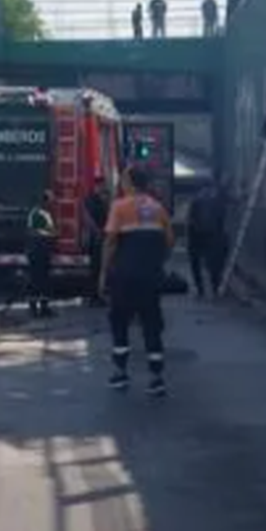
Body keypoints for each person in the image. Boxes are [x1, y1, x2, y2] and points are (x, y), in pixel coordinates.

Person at [100, 165, 175, 396]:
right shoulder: (158, 208)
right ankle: (156, 378)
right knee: (151, 323)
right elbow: (169, 242)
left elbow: (111, 242)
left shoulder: (120, 207)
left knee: (120, 322)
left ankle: (120, 373)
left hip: (124, 277)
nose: (121, 184)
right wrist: (155, 262)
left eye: (123, 180)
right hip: (150, 277)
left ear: (130, 183)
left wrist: (103, 273)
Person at [187, 176, 229, 299]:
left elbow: (190, 220)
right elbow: (221, 220)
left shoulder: (196, 200)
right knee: (213, 264)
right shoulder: (216, 201)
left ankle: (201, 289)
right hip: (212, 235)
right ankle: (214, 288)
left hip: (197, 235)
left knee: (196, 263)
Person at [25, 191, 57, 318]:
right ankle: (35, 308)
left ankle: (43, 307)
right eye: (51, 200)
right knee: (36, 279)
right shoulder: (37, 213)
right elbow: (31, 231)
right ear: (45, 201)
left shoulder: (44, 213)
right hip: (37, 251)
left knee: (43, 280)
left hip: (42, 251)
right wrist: (50, 234)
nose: (52, 203)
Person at [83, 176, 110, 306]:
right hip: (96, 238)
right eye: (101, 186)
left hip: (102, 236)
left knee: (99, 268)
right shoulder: (91, 200)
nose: (103, 188)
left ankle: (96, 295)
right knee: (95, 268)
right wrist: (97, 232)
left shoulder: (101, 200)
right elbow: (88, 218)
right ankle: (93, 297)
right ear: (96, 186)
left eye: (103, 186)